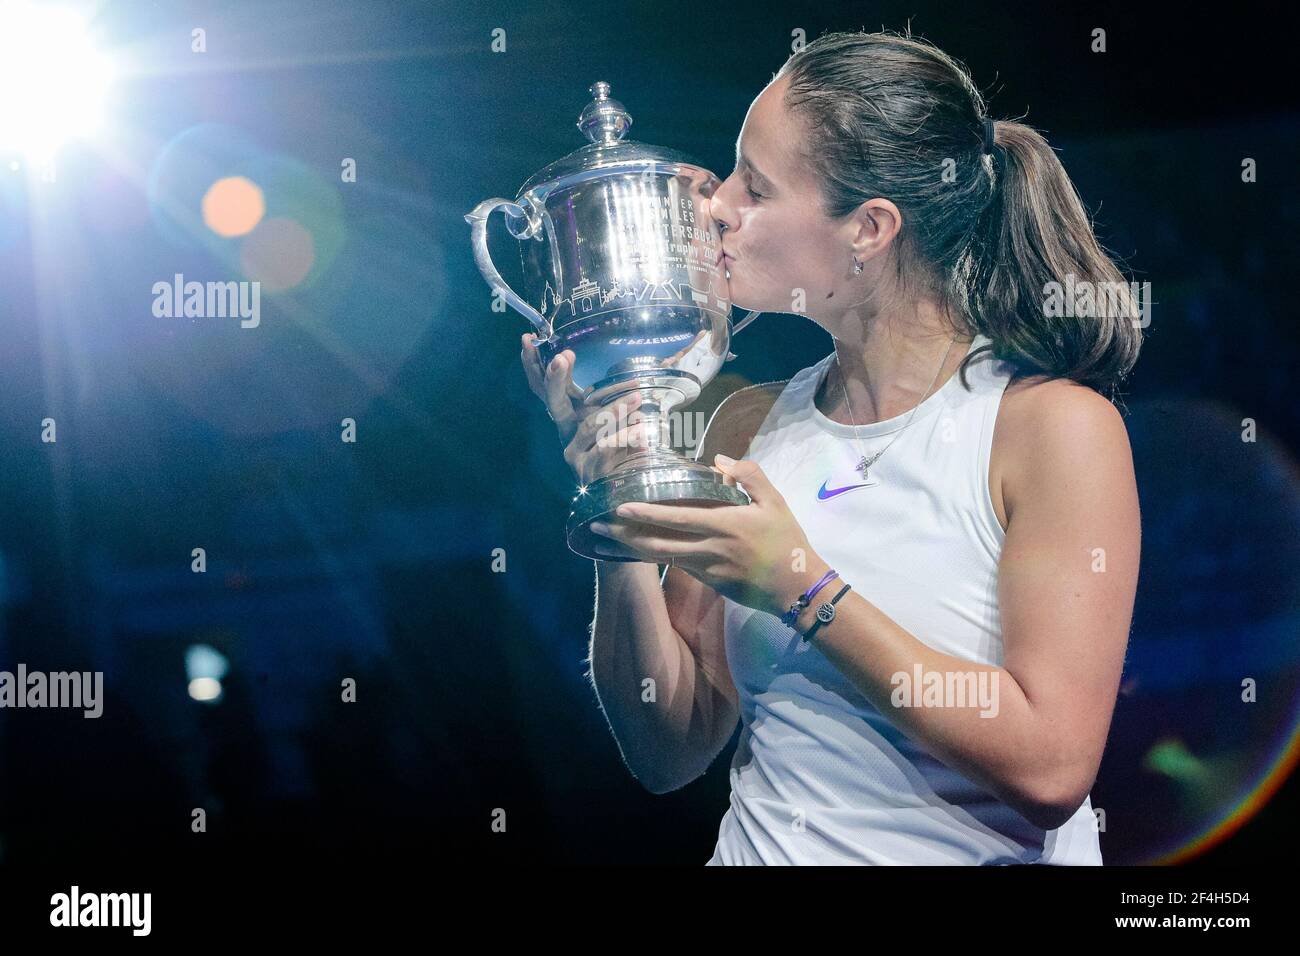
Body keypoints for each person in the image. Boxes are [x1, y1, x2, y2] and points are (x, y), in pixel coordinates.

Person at [521, 28, 1141, 865]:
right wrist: (620, 507)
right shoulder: (745, 425)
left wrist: (799, 584)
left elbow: (1053, 764)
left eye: (757, 185)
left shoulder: (1050, 427)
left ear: (869, 229)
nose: (715, 206)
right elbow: (668, 750)